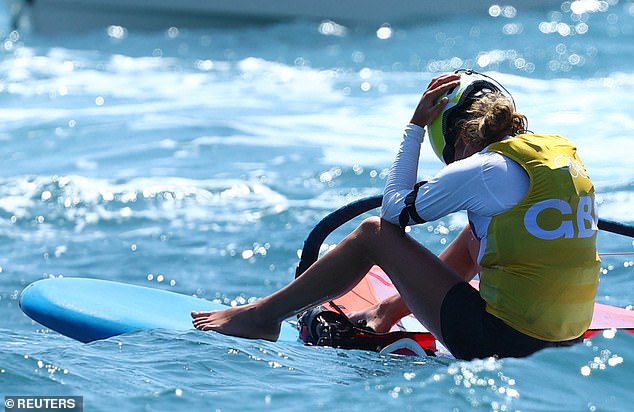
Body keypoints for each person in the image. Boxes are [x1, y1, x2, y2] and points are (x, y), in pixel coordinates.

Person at [192, 70, 601, 360]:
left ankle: (263, 316)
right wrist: (390, 310)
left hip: (498, 344)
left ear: (457, 135)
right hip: (565, 346)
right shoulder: (556, 155)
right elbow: (470, 253)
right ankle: (386, 311)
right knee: (479, 234)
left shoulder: (484, 169)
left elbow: (394, 211)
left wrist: (414, 126)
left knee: (373, 232)